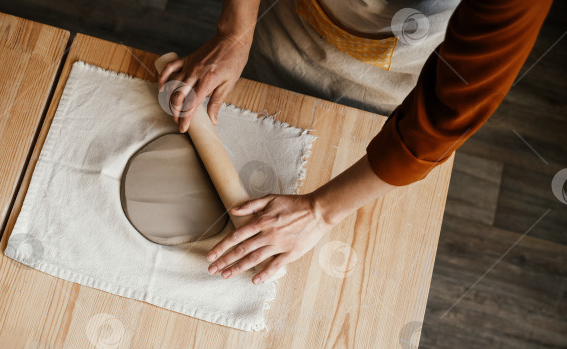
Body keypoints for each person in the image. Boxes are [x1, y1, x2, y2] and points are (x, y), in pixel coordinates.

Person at [158, 0, 552, 285]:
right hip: (286, 24)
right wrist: (236, 30)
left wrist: (322, 211)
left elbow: (446, 112)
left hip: (394, 77)